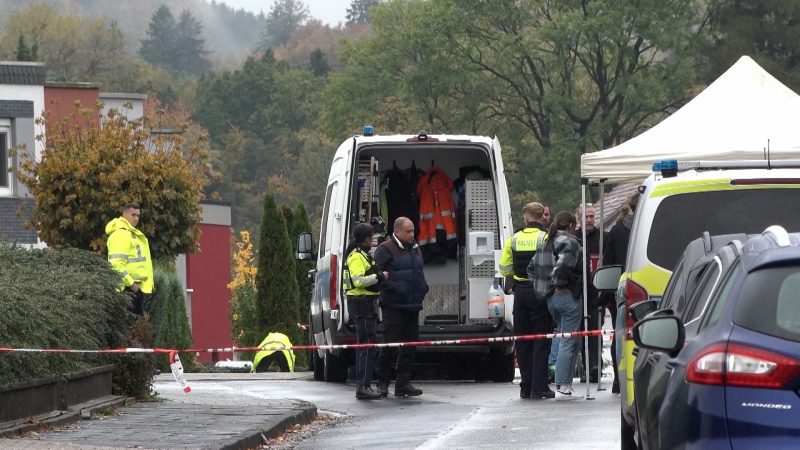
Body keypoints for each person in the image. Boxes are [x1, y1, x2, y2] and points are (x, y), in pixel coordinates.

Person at [499, 202, 553, 399]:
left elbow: (504, 268)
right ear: (542, 217)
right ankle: (539, 387)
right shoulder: (545, 237)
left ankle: (525, 386)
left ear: (526, 217)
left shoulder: (513, 240)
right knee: (541, 340)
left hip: (520, 293)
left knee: (522, 341)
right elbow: (551, 265)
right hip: (539, 293)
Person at [529, 211, 582, 400]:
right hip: (567, 298)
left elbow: (531, 268)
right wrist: (559, 285)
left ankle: (564, 384)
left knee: (567, 338)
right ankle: (563, 385)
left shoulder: (546, 242)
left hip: (551, 300)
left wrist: (544, 289)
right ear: (571, 225)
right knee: (569, 341)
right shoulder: (570, 242)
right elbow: (563, 266)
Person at [374, 217, 428, 397]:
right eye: (408, 231)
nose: (412, 234)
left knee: (410, 345)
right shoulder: (385, 249)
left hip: (412, 305)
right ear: (397, 231)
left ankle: (403, 383)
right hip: (393, 305)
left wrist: (422, 288)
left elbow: (418, 272)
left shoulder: (415, 248)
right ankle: (382, 383)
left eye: (413, 231)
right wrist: (398, 289)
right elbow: (378, 278)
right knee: (390, 345)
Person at [343, 223, 388, 400]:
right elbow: (359, 281)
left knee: (368, 345)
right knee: (367, 346)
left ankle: (365, 385)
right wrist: (379, 276)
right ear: (365, 238)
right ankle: (363, 386)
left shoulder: (363, 255)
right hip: (360, 304)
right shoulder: (356, 257)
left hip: (366, 304)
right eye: (371, 237)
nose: (373, 240)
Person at [602, 193, 639, 393]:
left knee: (621, 335)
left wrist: (606, 294)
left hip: (623, 289)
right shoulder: (656, 227)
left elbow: (608, 264)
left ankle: (619, 381)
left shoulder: (617, 231)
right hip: (656, 286)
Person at [574, 204, 607, 384]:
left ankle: (595, 366)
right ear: (579, 218)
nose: (589, 220)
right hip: (577, 294)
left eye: (592, 217)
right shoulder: (574, 239)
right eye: (586, 217)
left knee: (595, 331)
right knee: (579, 332)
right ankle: (582, 366)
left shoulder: (603, 238)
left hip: (597, 293)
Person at [105, 202, 153, 316]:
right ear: (124, 215)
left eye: (138, 215)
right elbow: (116, 265)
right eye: (133, 215)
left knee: (136, 328)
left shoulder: (132, 233)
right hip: (127, 289)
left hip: (133, 289)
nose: (136, 218)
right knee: (131, 329)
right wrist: (132, 285)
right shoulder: (121, 234)